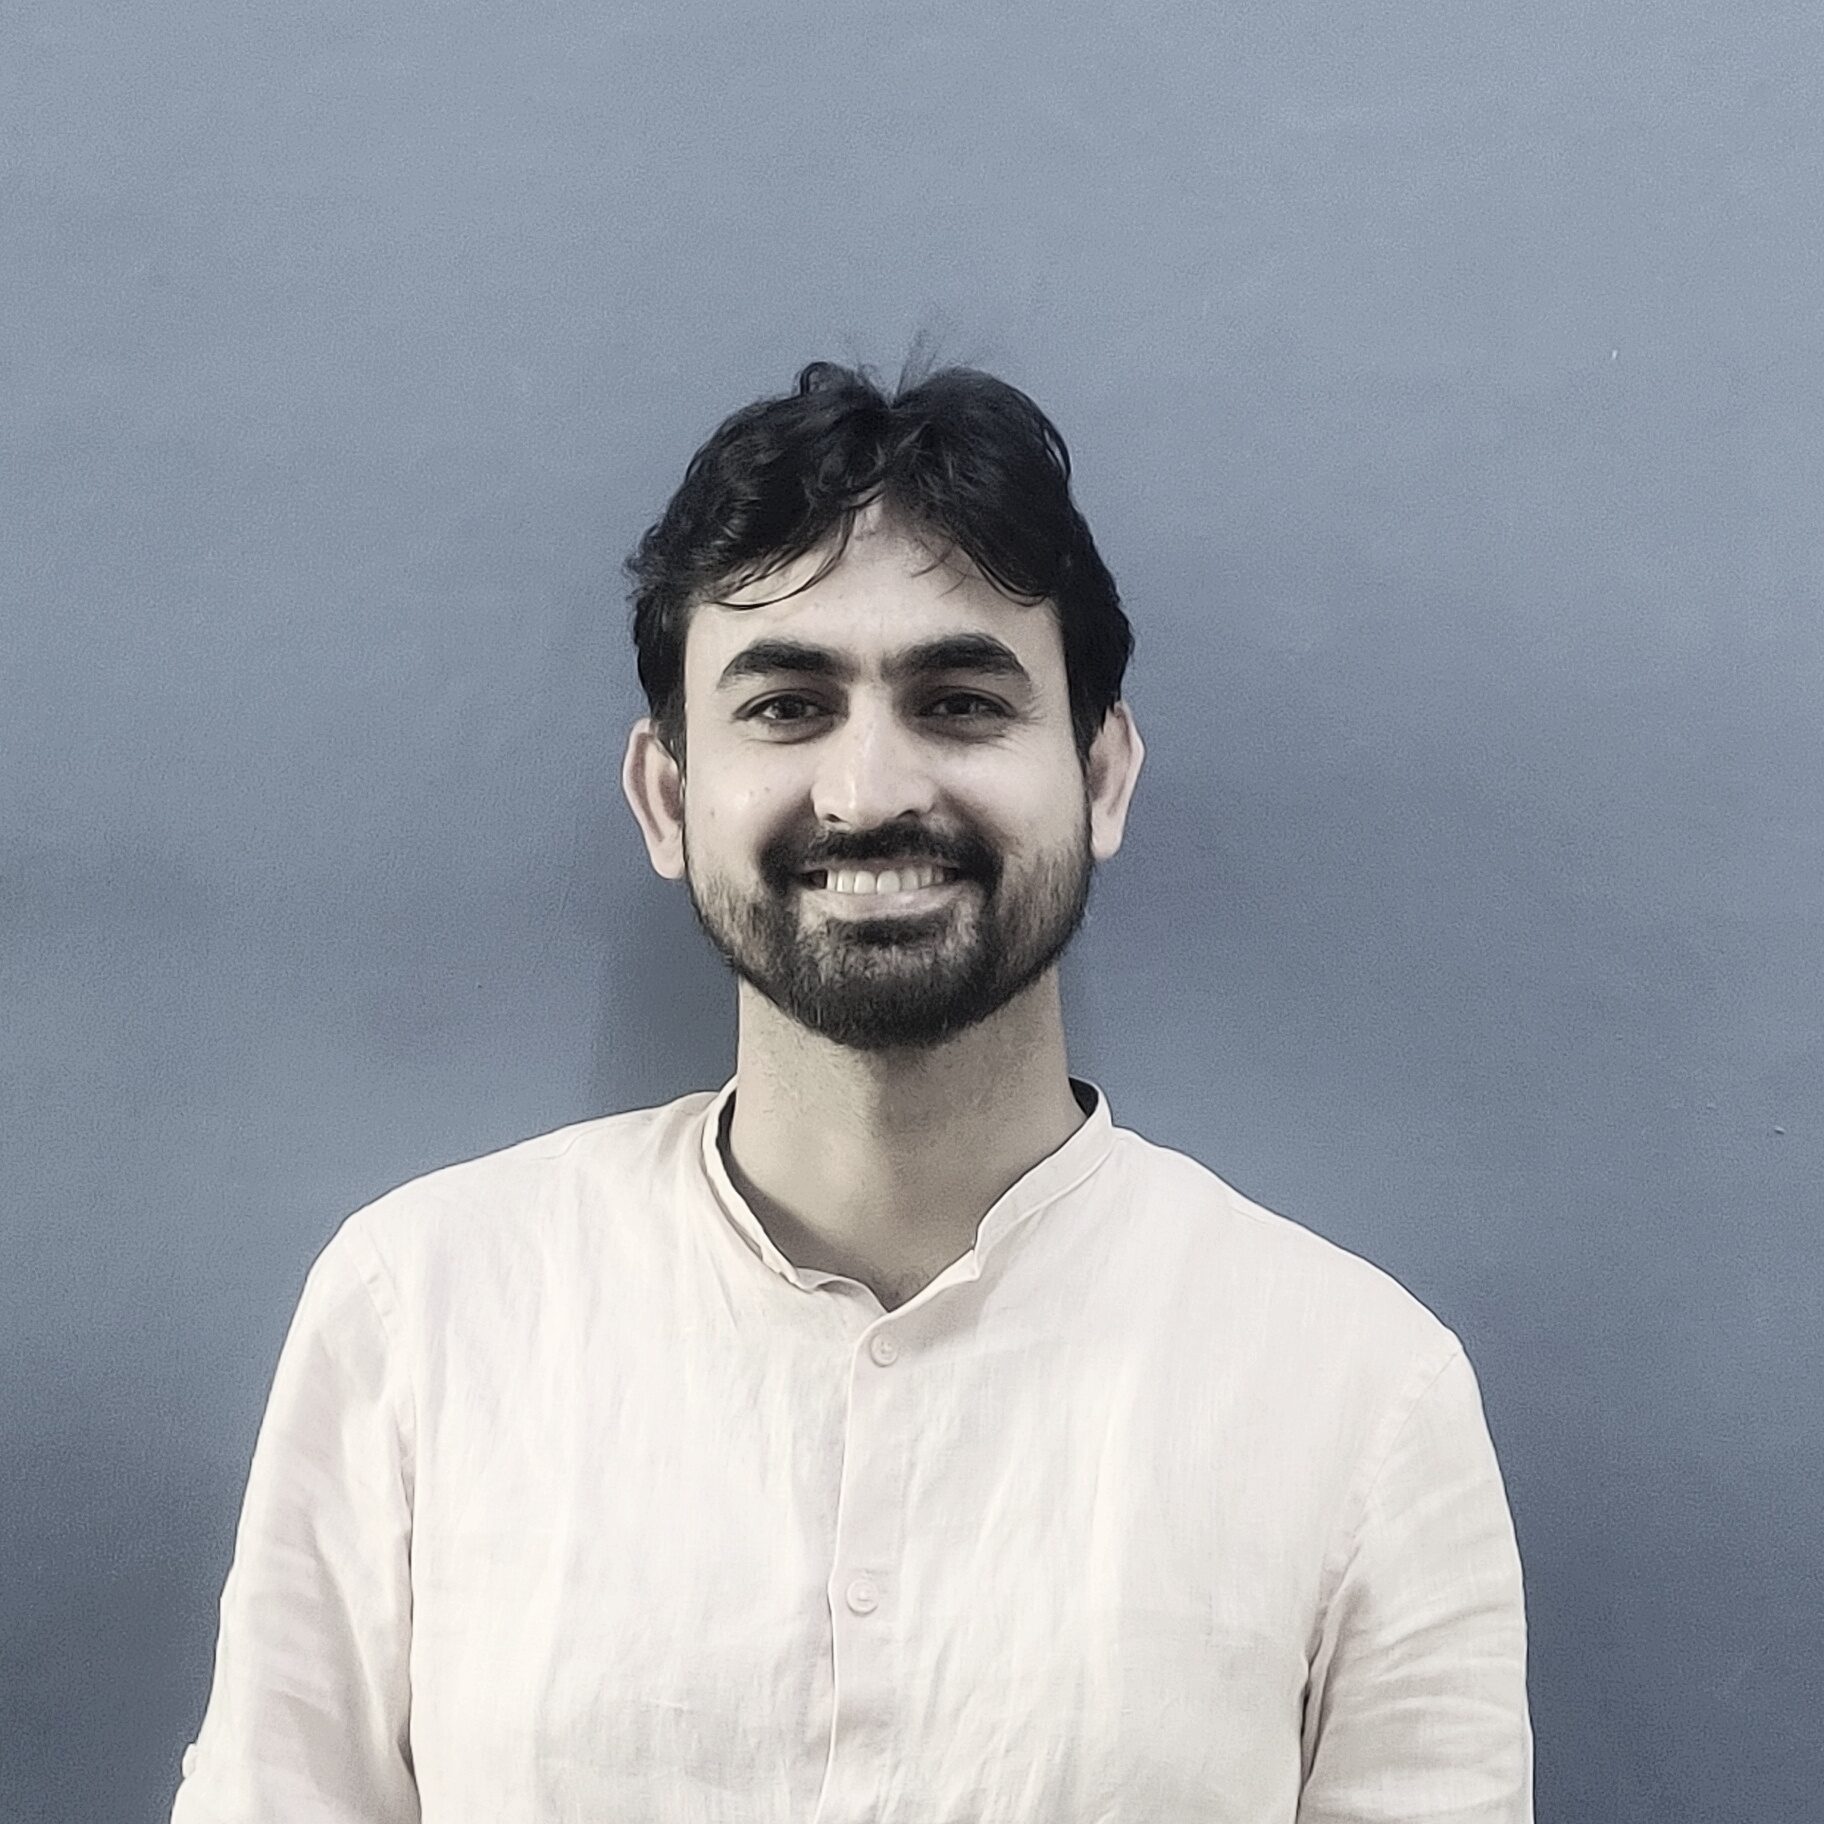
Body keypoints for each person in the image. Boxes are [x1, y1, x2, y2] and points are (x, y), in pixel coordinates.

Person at [171, 354, 1533, 1822]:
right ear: (668, 798)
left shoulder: (1361, 1392)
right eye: (785, 706)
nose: (869, 791)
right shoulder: (422, 1315)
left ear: (1104, 778)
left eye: (960, 702)